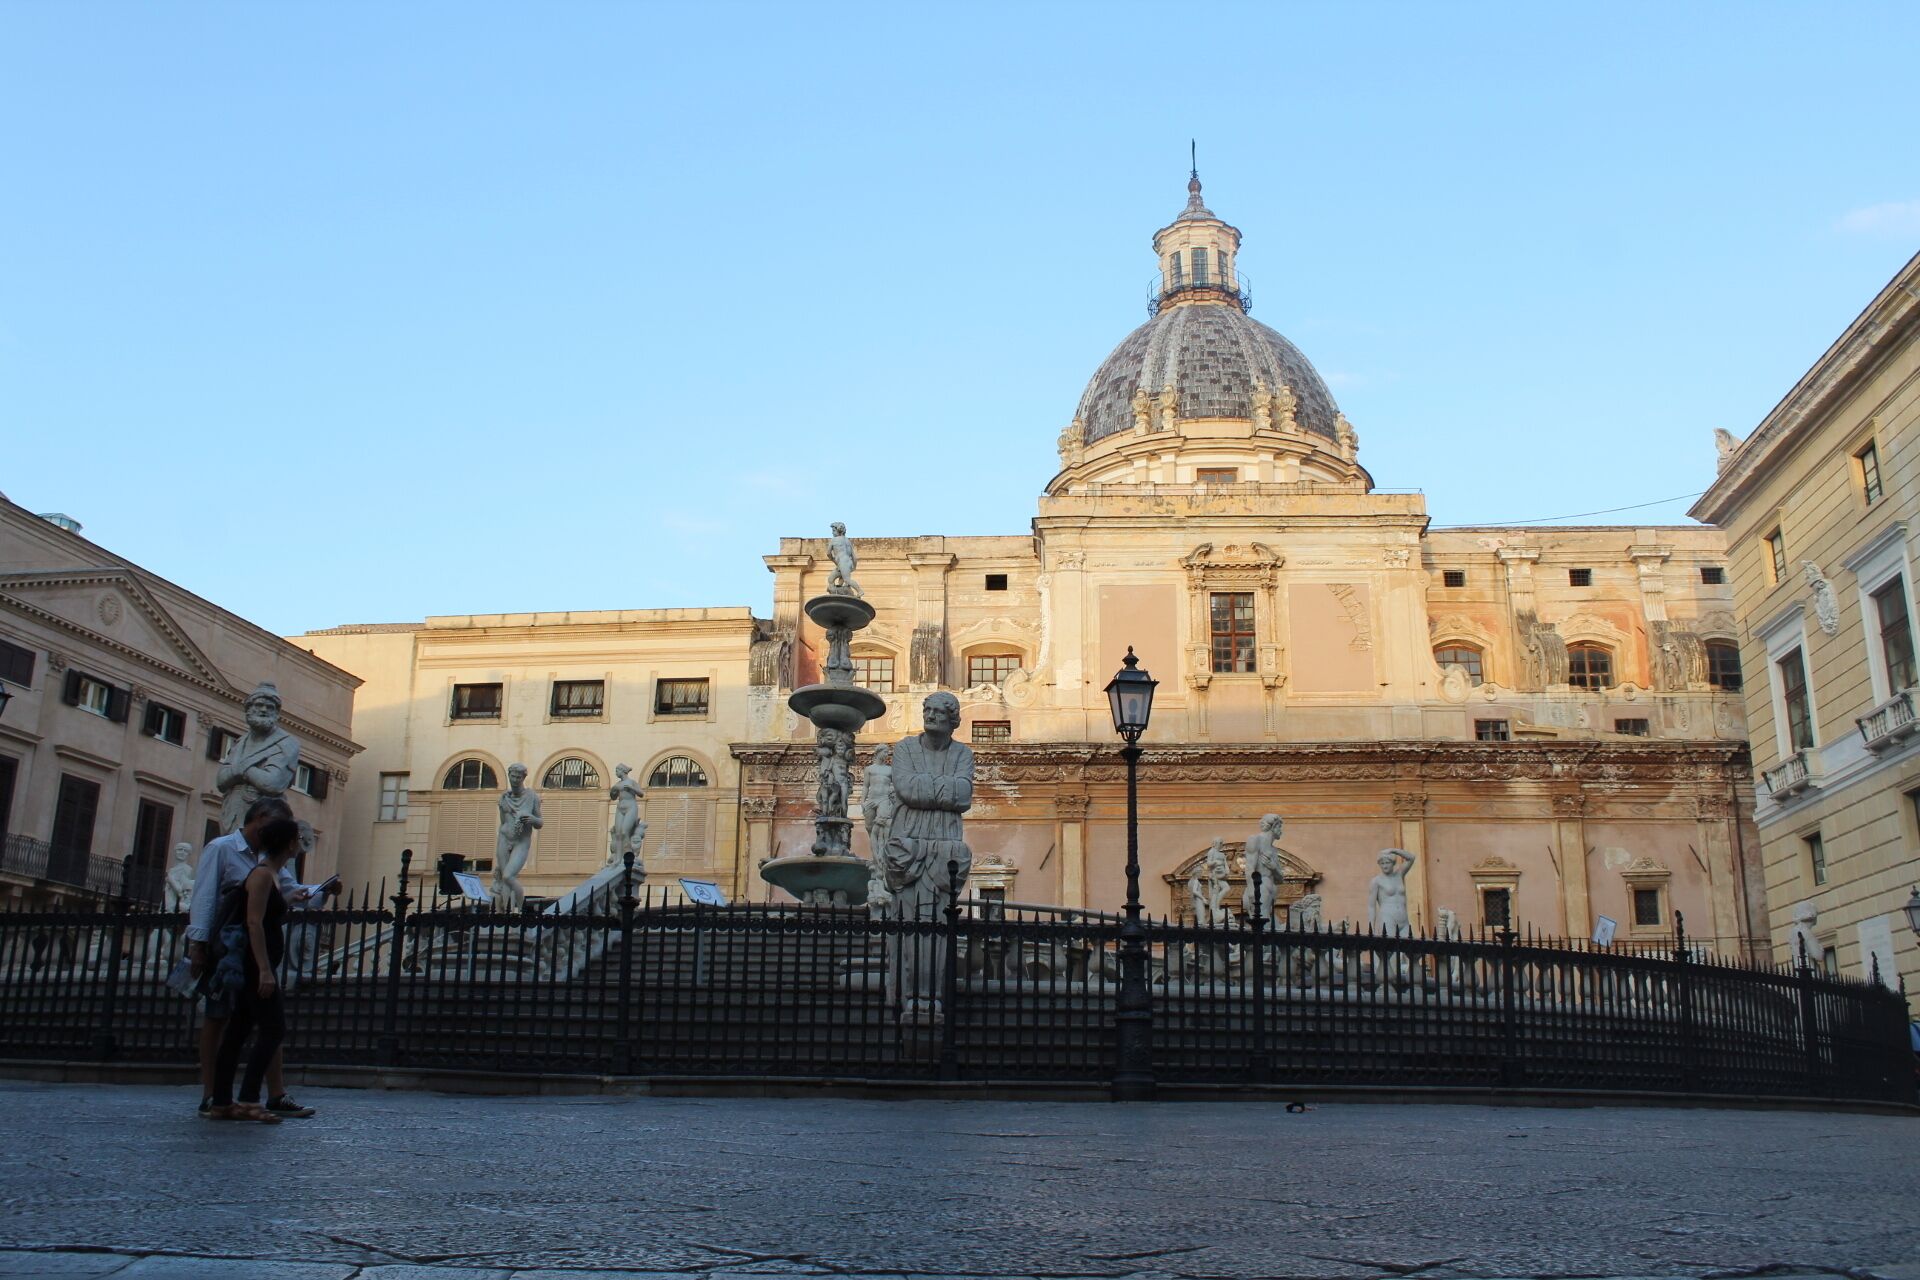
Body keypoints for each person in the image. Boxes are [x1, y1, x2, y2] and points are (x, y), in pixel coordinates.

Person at [186, 797, 316, 1119]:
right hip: (232, 951)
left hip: (251, 955)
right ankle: (223, 1096)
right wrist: (199, 943)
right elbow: (208, 898)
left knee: (242, 1027)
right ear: (260, 819)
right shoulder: (222, 849)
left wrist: (315, 893)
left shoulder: (270, 866)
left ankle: (234, 1098)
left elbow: (288, 894)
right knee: (229, 1020)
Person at [206, 817, 301, 1123]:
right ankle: (248, 1099)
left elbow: (267, 914)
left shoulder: (271, 874)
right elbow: (253, 922)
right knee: (274, 1029)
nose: (299, 844)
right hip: (252, 962)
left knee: (238, 1030)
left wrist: (290, 898)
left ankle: (221, 1101)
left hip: (258, 961)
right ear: (288, 844)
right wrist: (263, 969)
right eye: (297, 839)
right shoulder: (261, 875)